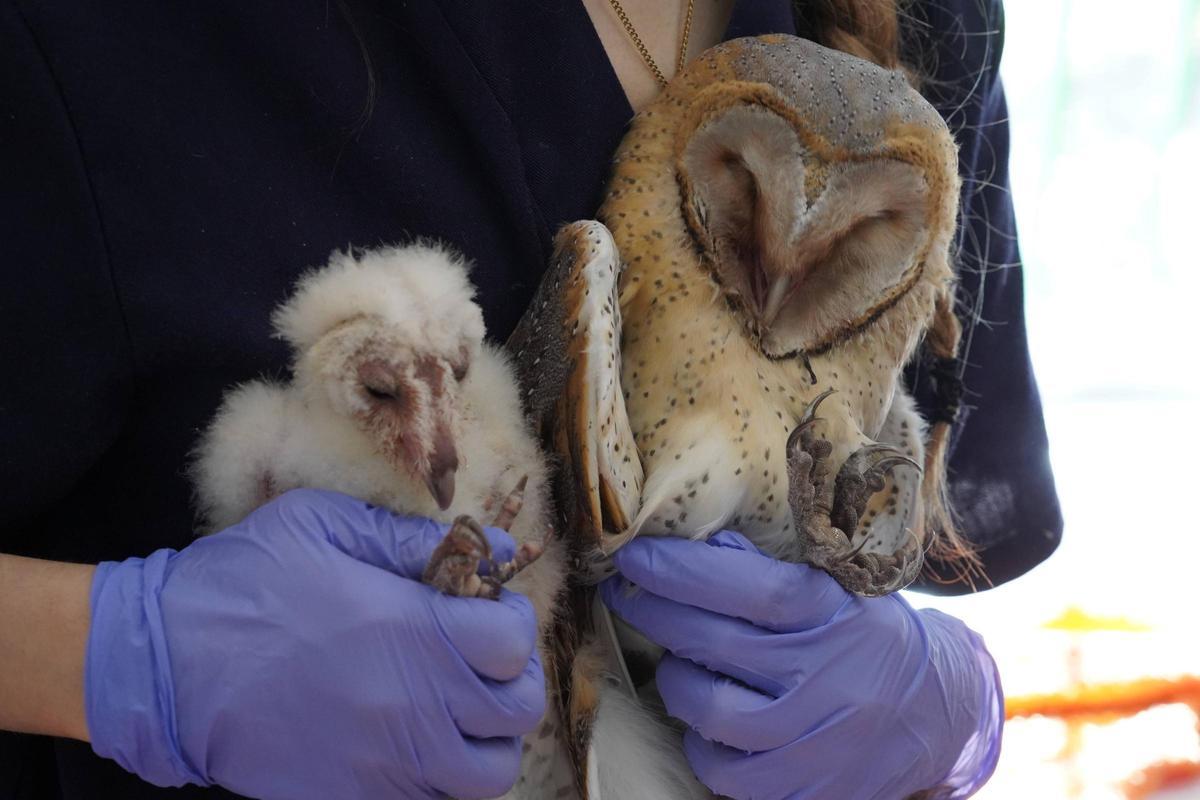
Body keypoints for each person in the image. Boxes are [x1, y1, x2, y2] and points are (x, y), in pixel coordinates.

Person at [0, 0, 1062, 798]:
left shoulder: (924, 22)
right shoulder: (107, 37)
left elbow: (927, 531)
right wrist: (118, 652)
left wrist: (952, 706)